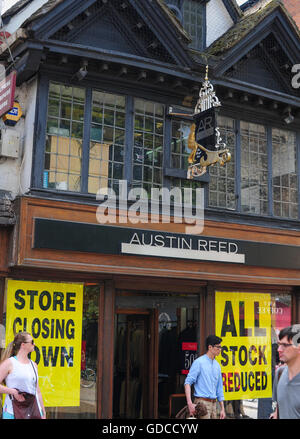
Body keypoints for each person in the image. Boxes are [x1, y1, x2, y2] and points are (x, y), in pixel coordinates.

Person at [0, 331, 46, 419]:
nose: (34, 344)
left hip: (32, 411)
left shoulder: (33, 365)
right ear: (23, 345)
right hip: (12, 412)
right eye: (32, 342)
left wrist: (42, 411)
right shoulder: (9, 363)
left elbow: (37, 391)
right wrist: (12, 391)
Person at [184, 334, 225, 419]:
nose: (220, 350)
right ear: (210, 347)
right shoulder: (199, 362)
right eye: (218, 347)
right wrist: (190, 403)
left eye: (221, 347)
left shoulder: (217, 365)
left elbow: (219, 389)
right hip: (202, 403)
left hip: (214, 404)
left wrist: (222, 409)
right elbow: (187, 382)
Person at [270, 325, 300, 419]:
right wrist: (275, 413)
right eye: (279, 345)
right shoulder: (279, 373)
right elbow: (278, 407)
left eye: (285, 345)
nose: (279, 349)